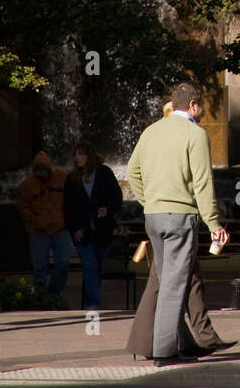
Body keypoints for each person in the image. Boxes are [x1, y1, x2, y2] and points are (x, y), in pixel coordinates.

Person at [126, 82, 229, 367]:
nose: (203, 111)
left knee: (164, 279)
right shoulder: (195, 135)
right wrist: (213, 223)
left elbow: (133, 171)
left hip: (153, 217)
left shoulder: (151, 131)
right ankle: (164, 351)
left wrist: (148, 202)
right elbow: (203, 183)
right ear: (193, 105)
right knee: (174, 285)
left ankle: (182, 343)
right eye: (202, 105)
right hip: (180, 216)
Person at [63, 140, 124, 311]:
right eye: (75, 155)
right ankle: (93, 308)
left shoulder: (104, 173)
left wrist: (108, 210)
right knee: (90, 268)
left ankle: (89, 305)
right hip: (83, 234)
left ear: (89, 155)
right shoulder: (72, 179)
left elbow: (117, 197)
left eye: (81, 154)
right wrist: (74, 228)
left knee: (96, 271)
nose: (77, 158)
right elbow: (67, 207)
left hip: (102, 232)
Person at [16, 151, 73, 297]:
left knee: (63, 262)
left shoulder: (62, 177)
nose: (42, 175)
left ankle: (54, 293)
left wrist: (66, 218)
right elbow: (22, 206)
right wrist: (34, 221)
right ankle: (41, 298)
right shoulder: (27, 184)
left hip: (60, 228)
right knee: (39, 268)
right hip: (38, 231)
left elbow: (74, 198)